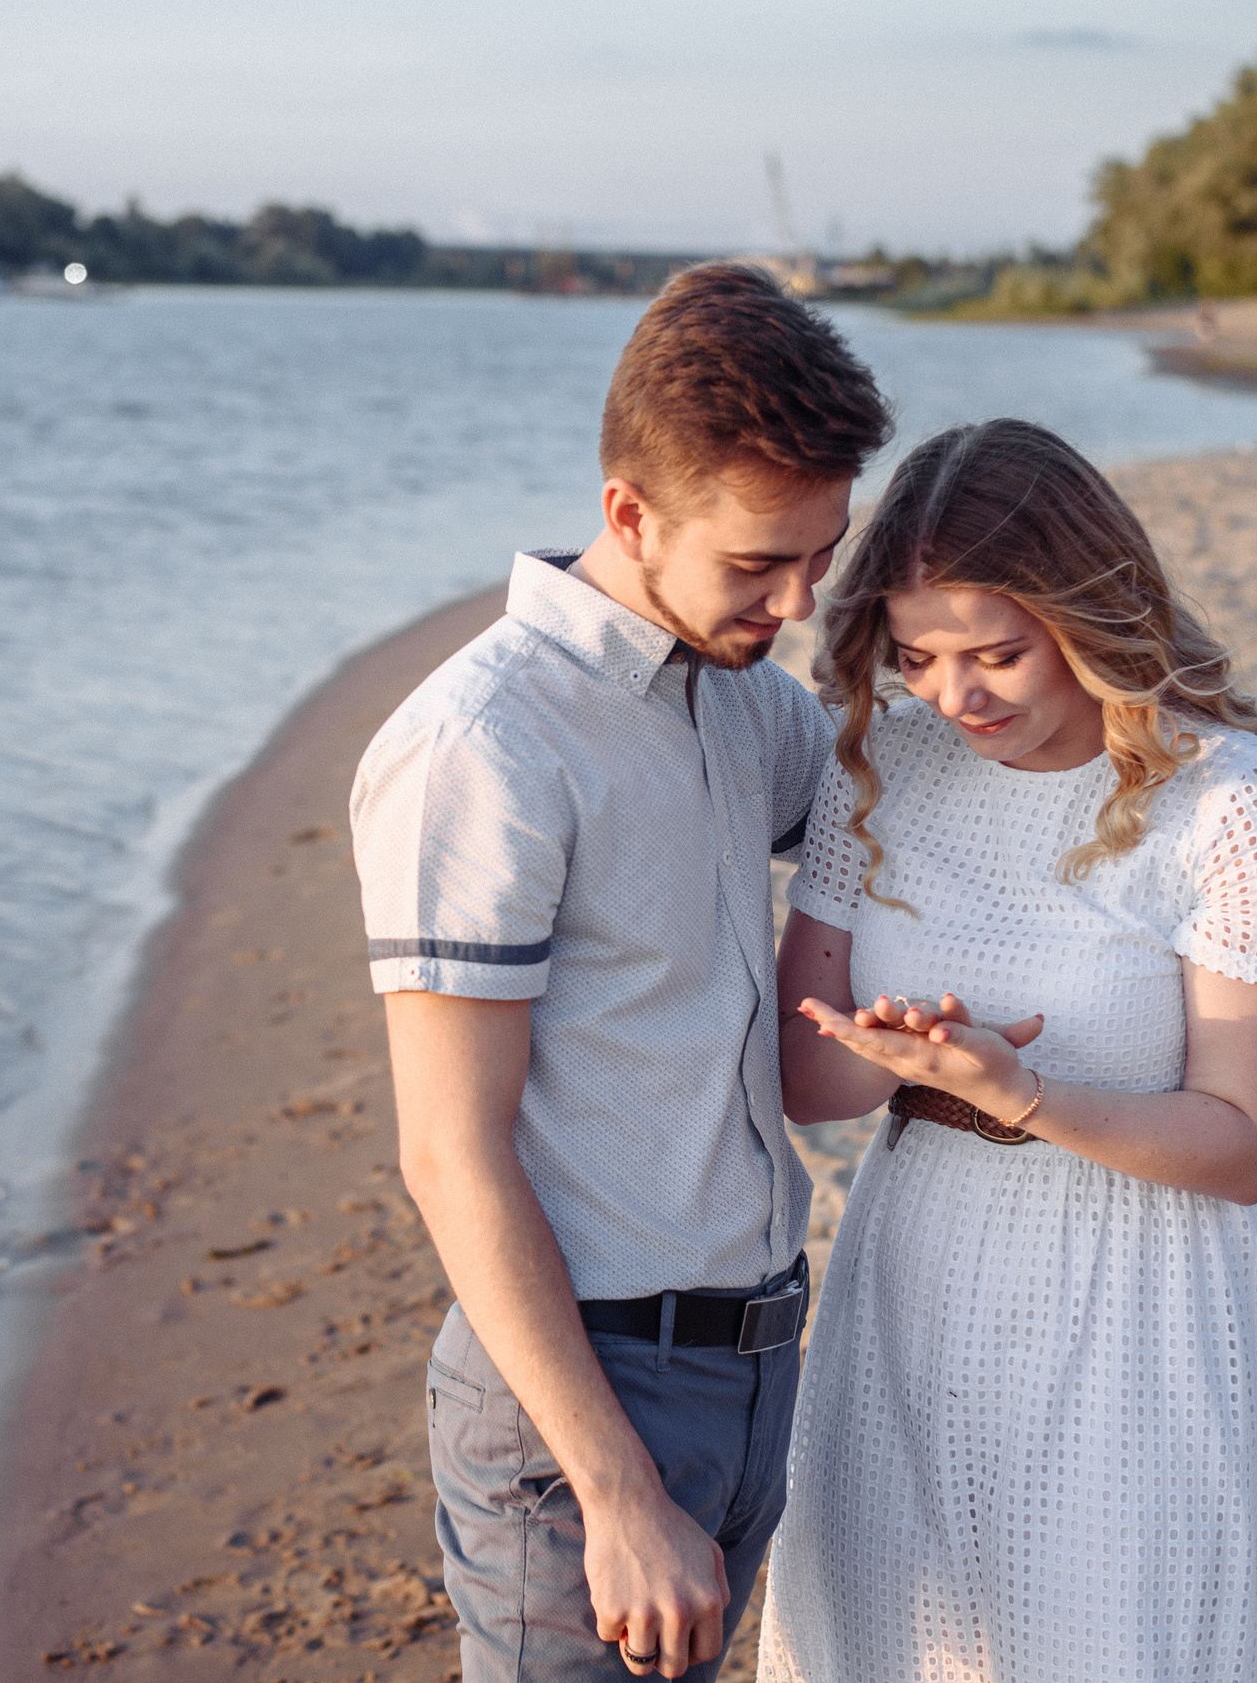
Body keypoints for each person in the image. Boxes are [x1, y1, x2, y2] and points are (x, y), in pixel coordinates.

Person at [348, 263, 892, 1683]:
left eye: (820, 557)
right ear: (629, 516)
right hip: (581, 1401)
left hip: (760, 1359)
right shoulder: (488, 743)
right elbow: (447, 1150)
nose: (796, 601)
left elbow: (912, 807)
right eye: (757, 564)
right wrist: (613, 1491)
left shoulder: (739, 701)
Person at [756, 417, 1257, 1683]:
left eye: (997, 653)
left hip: (1133, 1298)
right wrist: (897, 1053)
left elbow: (1242, 1146)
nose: (954, 695)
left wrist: (1020, 1091)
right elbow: (812, 1084)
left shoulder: (1239, 803)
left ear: (1090, 615)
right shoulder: (886, 760)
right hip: (912, 1271)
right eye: (914, 655)